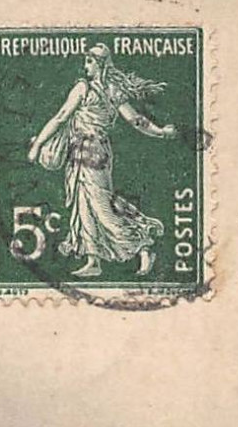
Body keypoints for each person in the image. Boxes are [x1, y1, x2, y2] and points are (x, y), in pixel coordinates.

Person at [27, 43, 178, 279]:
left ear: (100, 65)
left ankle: (142, 245)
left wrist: (37, 145)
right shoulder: (112, 90)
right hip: (92, 152)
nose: (85, 66)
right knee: (84, 204)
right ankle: (93, 260)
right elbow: (136, 120)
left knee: (100, 206)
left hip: (89, 152)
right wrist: (160, 131)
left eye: (89, 62)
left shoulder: (83, 88)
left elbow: (60, 117)